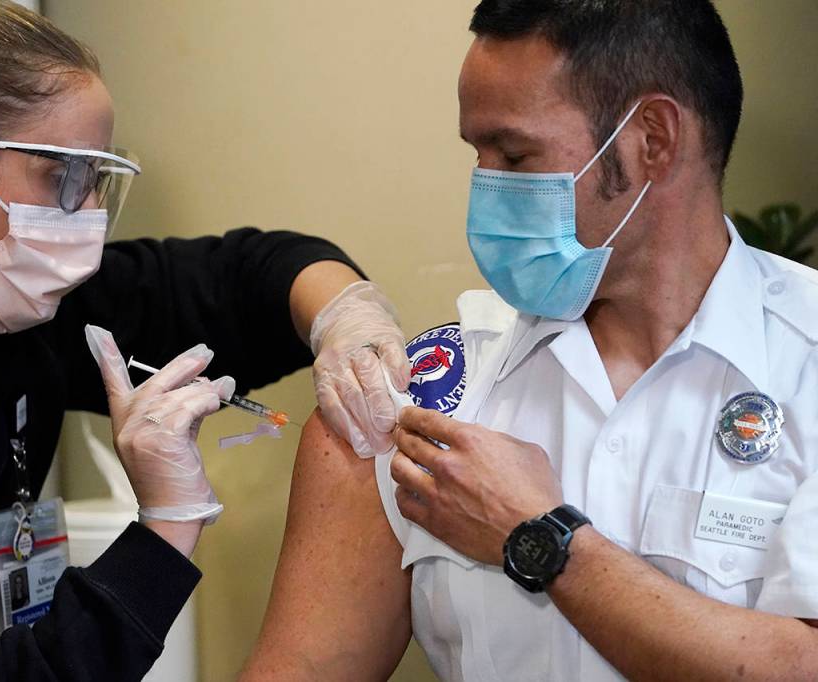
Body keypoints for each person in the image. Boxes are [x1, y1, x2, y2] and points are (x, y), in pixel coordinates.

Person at [0, 1, 408, 679]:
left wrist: (346, 318)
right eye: (61, 178)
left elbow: (249, 277)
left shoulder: (11, 304)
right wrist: (168, 524)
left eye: (96, 179)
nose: (87, 217)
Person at [243, 1, 818, 680]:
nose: (486, 189)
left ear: (654, 138)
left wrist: (541, 537)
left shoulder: (804, 363)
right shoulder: (421, 394)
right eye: (478, 156)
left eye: (515, 154)